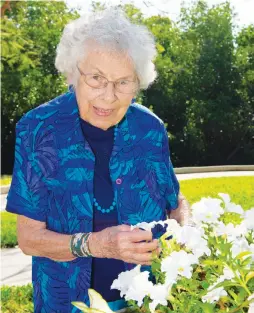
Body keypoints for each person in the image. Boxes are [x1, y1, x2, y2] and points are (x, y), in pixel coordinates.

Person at [6, 7, 191, 313]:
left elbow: (176, 202)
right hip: (67, 303)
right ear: (71, 72)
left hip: (149, 301)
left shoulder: (150, 130)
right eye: (96, 78)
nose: (109, 96)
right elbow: (29, 239)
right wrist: (96, 244)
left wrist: (185, 232)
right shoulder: (39, 130)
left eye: (123, 82)